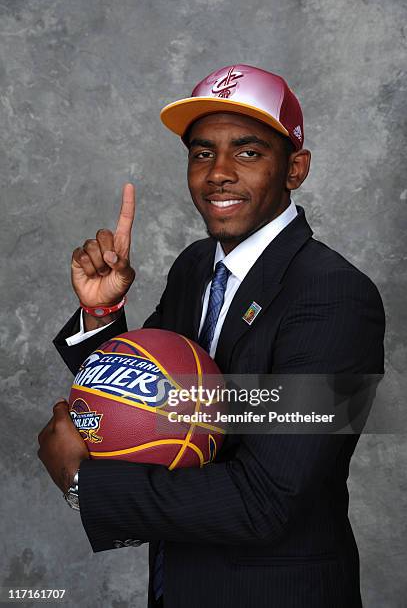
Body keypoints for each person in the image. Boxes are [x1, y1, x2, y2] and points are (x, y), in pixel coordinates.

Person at [38, 64, 385, 608]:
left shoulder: (339, 297)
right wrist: (102, 311)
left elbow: (267, 499)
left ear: (296, 169)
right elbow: (146, 401)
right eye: (202, 153)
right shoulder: (197, 265)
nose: (218, 173)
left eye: (247, 152)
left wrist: (84, 484)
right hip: (179, 582)